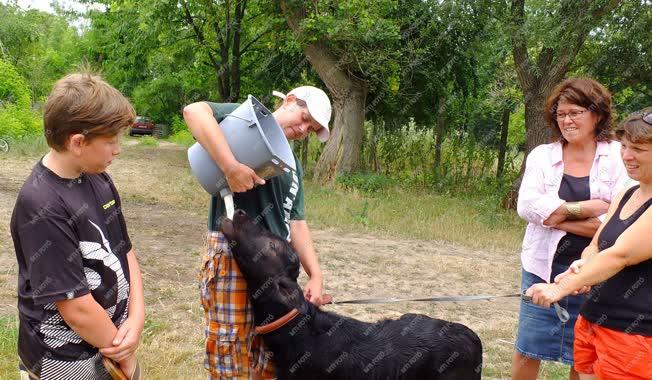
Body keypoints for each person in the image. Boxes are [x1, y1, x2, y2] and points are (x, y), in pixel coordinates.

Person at [183, 86, 332, 379]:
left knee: (267, 350)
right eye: (303, 118)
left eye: (310, 128)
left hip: (276, 267)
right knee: (230, 345)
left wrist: (315, 274)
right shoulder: (244, 122)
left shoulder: (292, 165)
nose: (303, 129)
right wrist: (230, 167)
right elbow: (194, 111)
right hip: (235, 254)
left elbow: (296, 222)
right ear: (289, 100)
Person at [10, 73, 144, 379]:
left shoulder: (98, 178)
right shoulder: (41, 204)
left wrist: (136, 320)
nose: (117, 149)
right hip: (64, 359)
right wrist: (125, 356)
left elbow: (126, 250)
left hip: (111, 343)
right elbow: (77, 310)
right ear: (78, 142)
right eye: (110, 141)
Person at [511, 78, 633, 380]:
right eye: (560, 113)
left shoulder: (620, 156)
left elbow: (621, 223)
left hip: (597, 272)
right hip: (543, 266)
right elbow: (526, 206)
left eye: (575, 112)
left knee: (583, 353)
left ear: (597, 114)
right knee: (529, 346)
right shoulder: (542, 154)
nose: (566, 120)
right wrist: (587, 208)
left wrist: (555, 216)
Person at [527, 107, 652, 380]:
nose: (627, 156)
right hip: (593, 320)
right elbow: (597, 246)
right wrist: (580, 269)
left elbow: (620, 255)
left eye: (639, 150)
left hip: (635, 335)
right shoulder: (627, 193)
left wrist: (561, 288)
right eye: (625, 147)